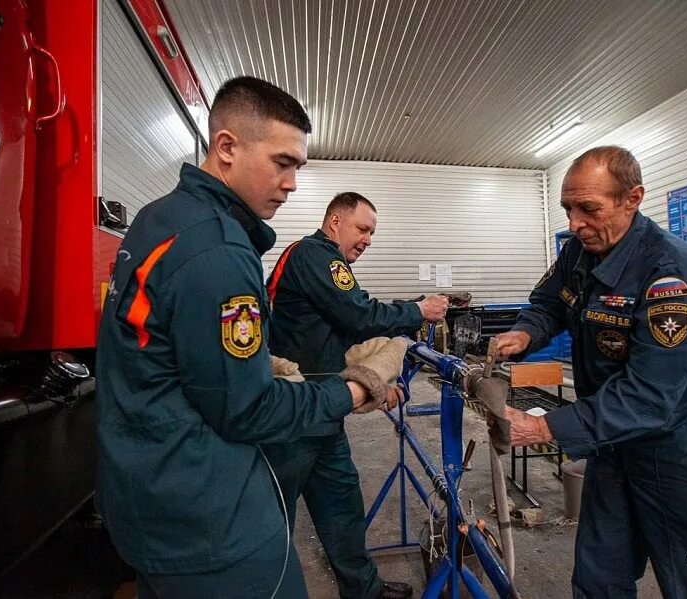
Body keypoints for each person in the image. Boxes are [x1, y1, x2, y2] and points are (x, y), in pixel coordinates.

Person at [95, 77, 404, 599]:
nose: (291, 183)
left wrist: (260, 362)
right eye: (282, 162)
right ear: (227, 148)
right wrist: (354, 390)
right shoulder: (219, 247)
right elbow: (247, 409)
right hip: (203, 509)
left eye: (297, 168)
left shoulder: (158, 218)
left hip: (147, 485)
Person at [494, 146, 687, 598]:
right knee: (598, 574)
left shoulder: (670, 273)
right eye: (568, 208)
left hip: (678, 449)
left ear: (633, 198)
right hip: (611, 439)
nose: (574, 223)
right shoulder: (580, 252)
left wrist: (545, 426)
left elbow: (651, 394)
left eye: (588, 209)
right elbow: (548, 303)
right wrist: (525, 334)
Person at [263, 192, 449, 599]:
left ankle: (364, 591)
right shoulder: (319, 256)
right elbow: (361, 314)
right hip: (294, 412)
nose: (367, 239)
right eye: (362, 229)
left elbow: (346, 330)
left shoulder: (317, 262)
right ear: (335, 222)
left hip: (324, 410)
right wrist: (419, 310)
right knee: (271, 520)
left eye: (372, 234)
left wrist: (379, 377)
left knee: (342, 506)